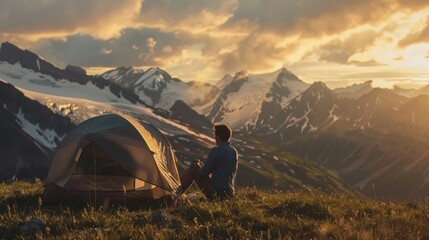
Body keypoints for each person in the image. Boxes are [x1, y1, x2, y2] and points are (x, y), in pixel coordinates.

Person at [179, 124, 238, 200]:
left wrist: (198, 165)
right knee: (196, 167)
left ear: (218, 137)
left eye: (215, 135)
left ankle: (175, 194)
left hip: (217, 193)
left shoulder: (216, 150)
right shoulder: (234, 151)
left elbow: (203, 173)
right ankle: (176, 193)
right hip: (229, 194)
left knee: (194, 167)